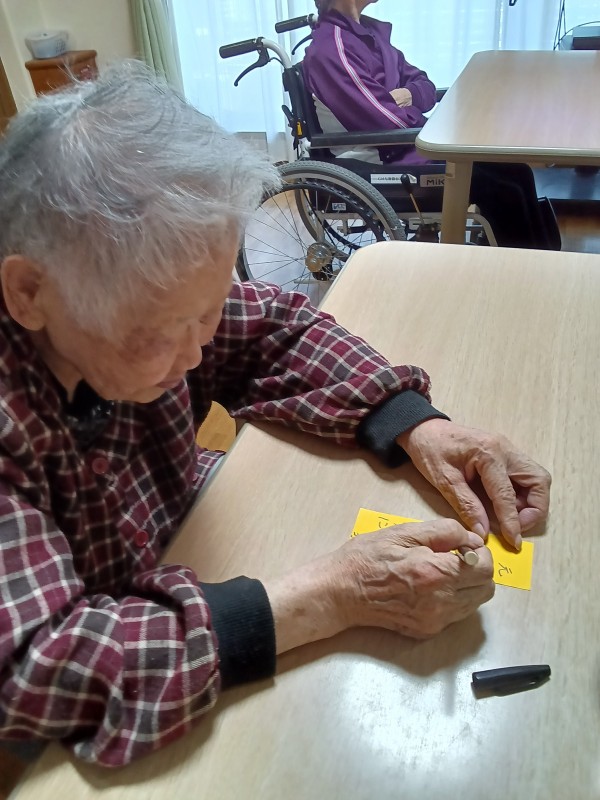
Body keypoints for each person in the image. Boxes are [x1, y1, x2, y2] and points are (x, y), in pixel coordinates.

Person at [0, 62, 550, 768]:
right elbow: (39, 667)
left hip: (185, 551)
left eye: (205, 312)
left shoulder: (139, 295)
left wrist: (415, 423)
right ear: (29, 293)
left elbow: (273, 327)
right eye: (158, 331)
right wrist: (333, 595)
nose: (195, 352)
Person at [303, 0, 562, 250]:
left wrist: (410, 94)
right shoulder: (333, 49)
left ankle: (538, 259)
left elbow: (423, 83)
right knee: (500, 189)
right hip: (386, 156)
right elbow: (385, 121)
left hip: (409, 141)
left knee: (516, 171)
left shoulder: (369, 33)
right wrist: (421, 117)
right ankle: (515, 269)